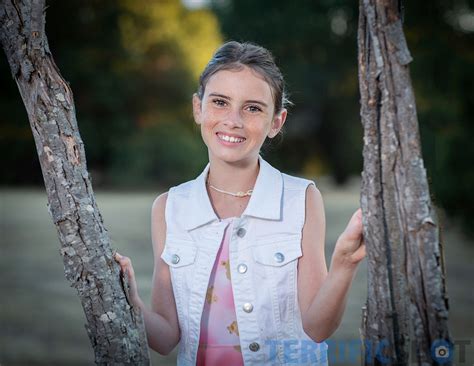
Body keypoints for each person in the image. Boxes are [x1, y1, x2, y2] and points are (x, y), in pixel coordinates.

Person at [114, 41, 366, 366]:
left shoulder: (300, 199)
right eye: (219, 102)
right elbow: (165, 338)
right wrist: (129, 300)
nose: (233, 120)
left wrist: (343, 265)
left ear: (276, 122)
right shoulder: (169, 207)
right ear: (197, 108)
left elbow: (317, 328)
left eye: (253, 108)